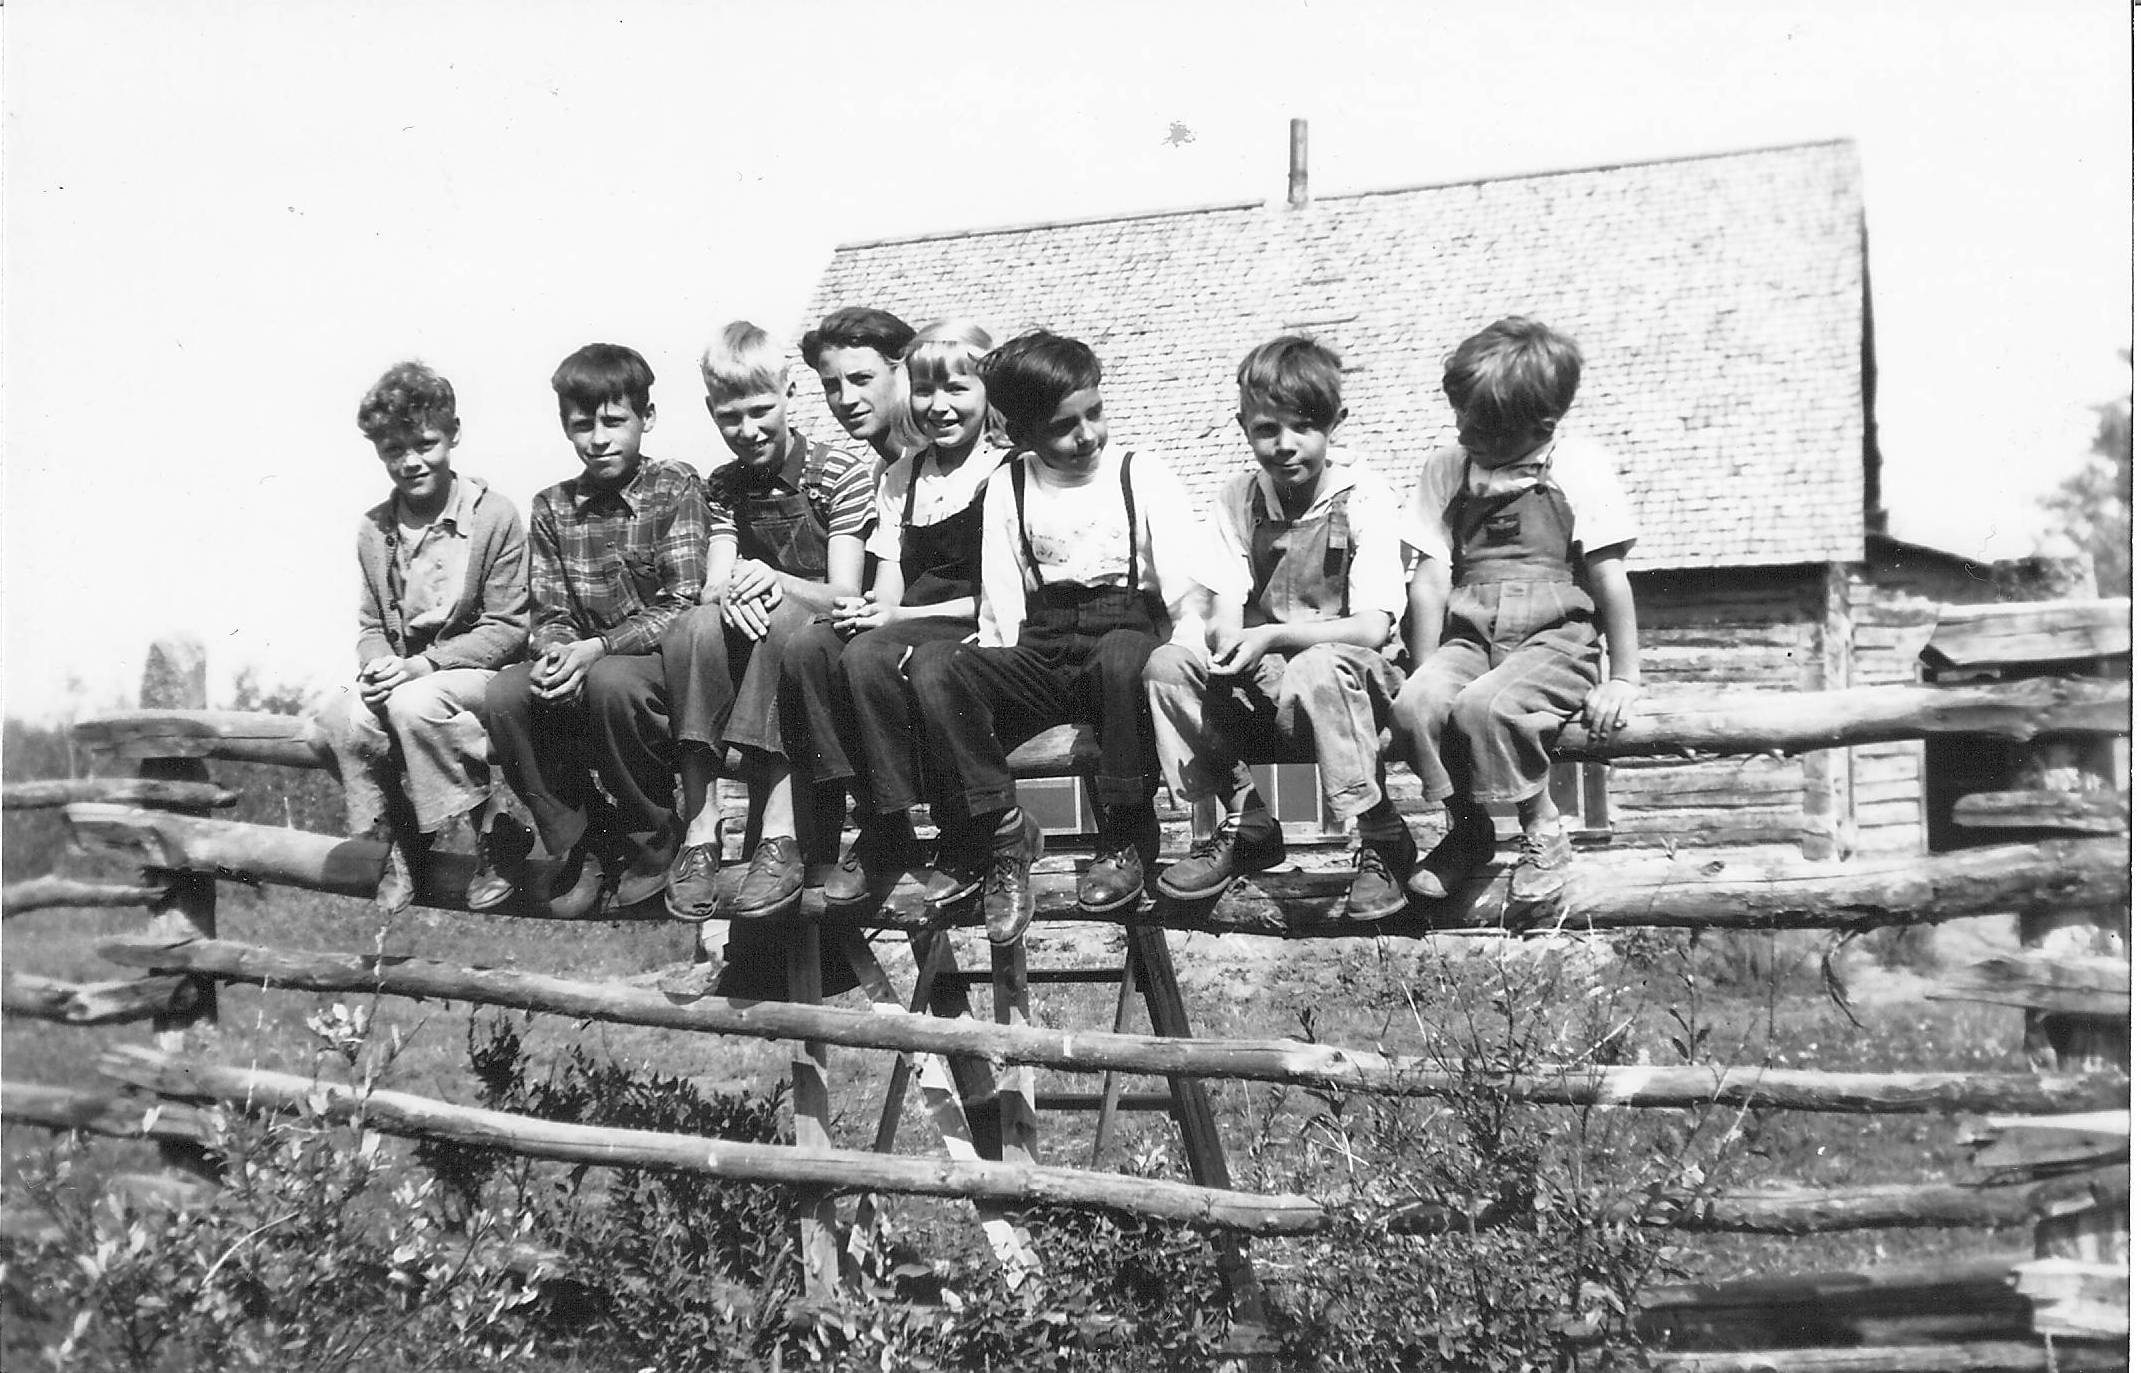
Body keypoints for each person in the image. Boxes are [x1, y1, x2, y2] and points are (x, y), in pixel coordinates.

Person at [907, 331, 1213, 943]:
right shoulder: (1009, 485)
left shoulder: (1139, 474)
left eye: (1094, 413)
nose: (1087, 435)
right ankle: (1002, 831)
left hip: (1121, 635)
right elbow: (1001, 603)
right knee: (938, 664)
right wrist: (992, 679)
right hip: (1043, 647)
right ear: (1021, 433)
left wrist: (1186, 653)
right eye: (1063, 427)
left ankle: (1125, 831)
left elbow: (1186, 592)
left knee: (1124, 656)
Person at [1143, 336, 1418, 918]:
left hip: (1353, 677)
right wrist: (1230, 644)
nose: (1285, 445)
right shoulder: (1239, 499)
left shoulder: (1364, 497)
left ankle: (1382, 833)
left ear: (1335, 422)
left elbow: (1372, 627)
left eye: (1304, 427)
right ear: (1243, 427)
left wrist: (1269, 636)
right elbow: (1226, 609)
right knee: (1168, 665)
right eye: (1267, 429)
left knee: (1317, 666)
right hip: (1270, 678)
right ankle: (1247, 819)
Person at [1391, 317, 1642, 903]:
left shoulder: (1577, 466)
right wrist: (1427, 671)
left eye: (1482, 426)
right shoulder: (1448, 468)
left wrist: (1625, 678)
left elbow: (1609, 575)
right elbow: (1430, 577)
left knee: (1488, 706)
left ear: (1542, 426)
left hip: (1554, 640)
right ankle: (1469, 829)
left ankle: (1542, 826)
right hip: (1471, 635)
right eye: (1460, 416)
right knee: (1415, 705)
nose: (1463, 432)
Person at [781, 321, 1004, 910]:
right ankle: (879, 823)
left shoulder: (1005, 472)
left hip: (972, 617)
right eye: (925, 392)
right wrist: (873, 608)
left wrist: (895, 617)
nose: (939, 406)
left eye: (956, 390)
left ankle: (929, 823)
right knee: (811, 648)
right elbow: (889, 580)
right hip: (910, 616)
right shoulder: (902, 476)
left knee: (868, 656)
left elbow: (1002, 597)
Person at [660, 321, 874, 924]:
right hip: (753, 632)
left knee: (781, 623)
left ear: (788, 393)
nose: (748, 430)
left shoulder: (838, 472)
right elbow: (713, 582)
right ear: (711, 412)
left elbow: (844, 594)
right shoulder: (725, 485)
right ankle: (701, 832)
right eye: (731, 417)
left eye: (761, 411)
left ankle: (779, 836)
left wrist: (772, 580)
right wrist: (733, 590)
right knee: (691, 627)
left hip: (822, 638)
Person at [481, 343, 706, 916]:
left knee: (611, 682)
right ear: (566, 428)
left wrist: (598, 648)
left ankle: (652, 835)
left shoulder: (675, 486)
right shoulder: (552, 507)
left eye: (614, 421)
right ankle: (579, 839)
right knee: (506, 692)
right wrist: (557, 654)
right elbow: (550, 611)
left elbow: (682, 602)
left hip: (653, 665)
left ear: (646, 418)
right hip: (585, 661)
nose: (599, 439)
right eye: (583, 426)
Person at [319, 361, 530, 915]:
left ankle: (494, 830)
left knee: (415, 703)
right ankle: (395, 840)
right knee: (340, 717)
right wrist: (376, 666)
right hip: (408, 680)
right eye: (394, 450)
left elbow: (508, 627)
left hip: (481, 676)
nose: (410, 461)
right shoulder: (375, 530)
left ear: (453, 434)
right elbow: (371, 625)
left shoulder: (494, 517)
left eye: (425, 444)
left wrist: (421, 667)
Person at [800, 307, 917, 465]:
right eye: (832, 386)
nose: (846, 400)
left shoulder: (940, 467)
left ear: (904, 372)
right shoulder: (884, 473)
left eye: (862, 379)